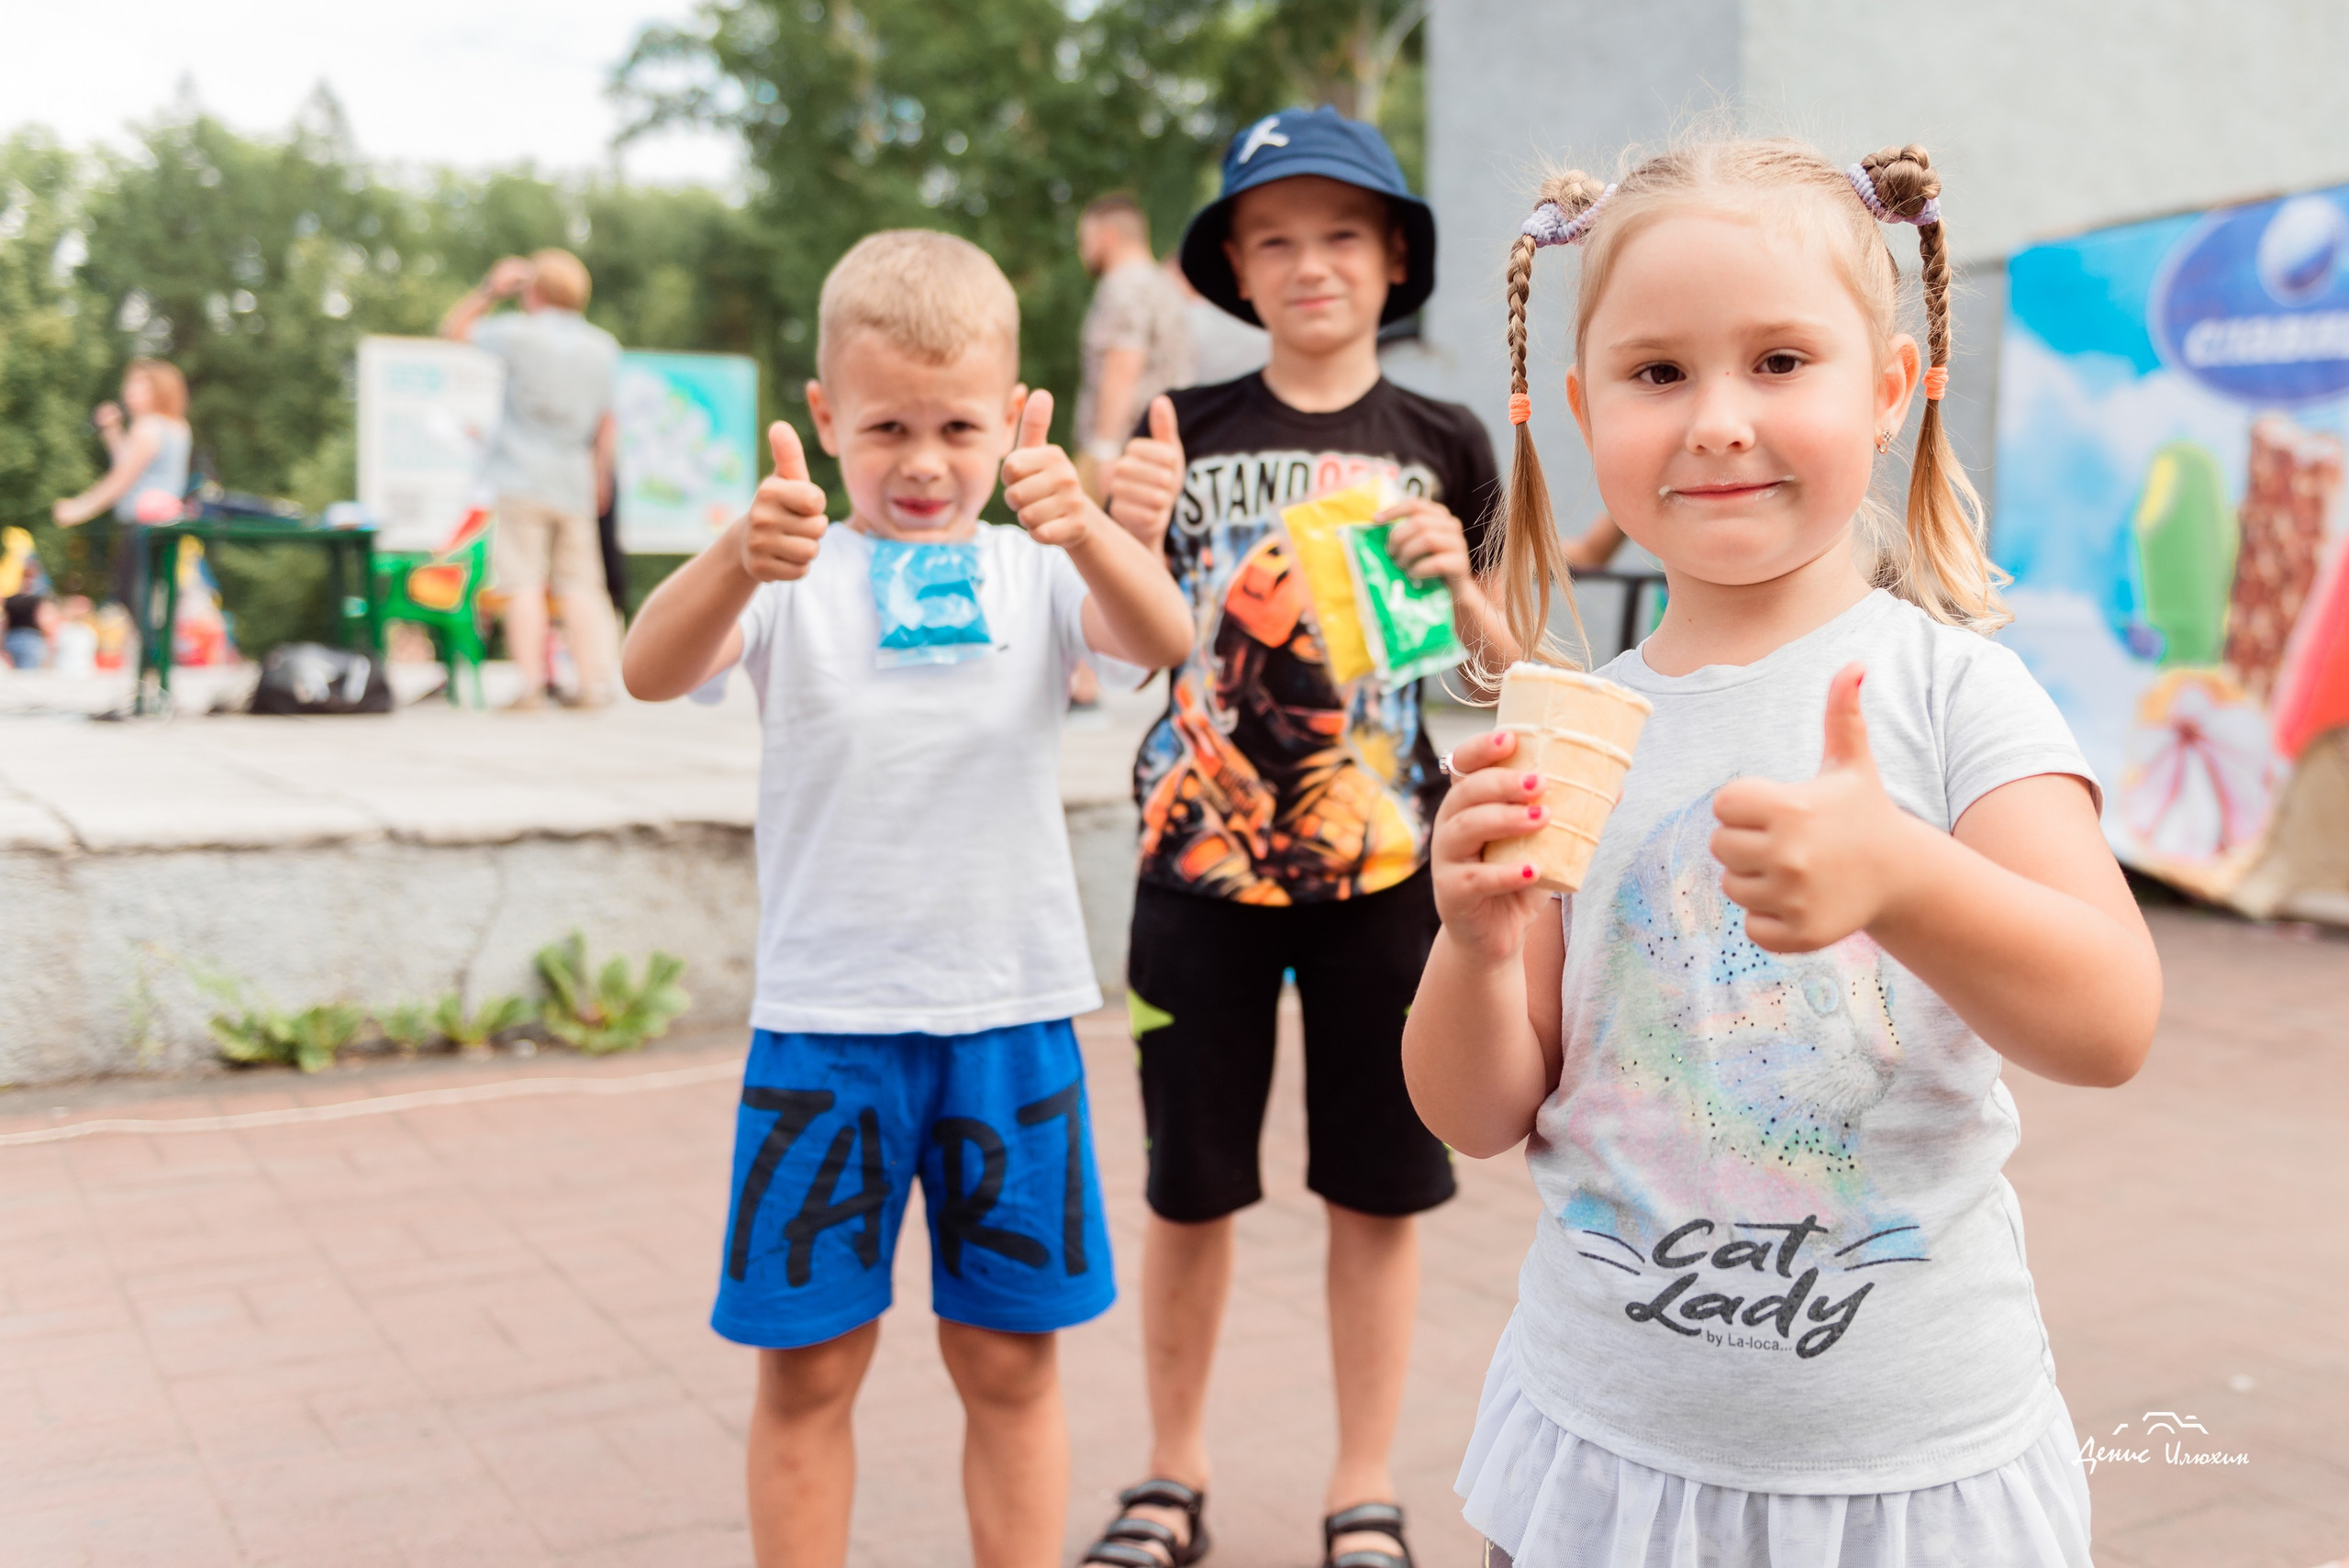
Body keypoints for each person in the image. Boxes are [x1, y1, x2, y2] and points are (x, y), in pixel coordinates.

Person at [1402, 142, 2163, 1567]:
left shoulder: (1951, 694)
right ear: (1581, 412)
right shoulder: (1581, 723)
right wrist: (1473, 943)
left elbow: (2113, 1019)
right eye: (1658, 374)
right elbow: (1477, 1112)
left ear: (1885, 389)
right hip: (1603, 1468)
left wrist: (1905, 879)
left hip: (1902, 1478)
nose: (1716, 422)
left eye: (1778, 361)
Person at [618, 229, 1193, 1568]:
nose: (924, 462)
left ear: (1018, 419)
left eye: (958, 426)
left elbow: (1163, 642)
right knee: (807, 1372)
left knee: (1009, 1364)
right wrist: (731, 558)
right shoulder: (789, 575)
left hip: (1013, 1020)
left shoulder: (1040, 562)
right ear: (824, 420)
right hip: (824, 1030)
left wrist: (1091, 527)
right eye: (885, 426)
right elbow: (650, 670)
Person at [1085, 106, 1512, 1568]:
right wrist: (1112, 531)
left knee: (1377, 1188)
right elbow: (1106, 646)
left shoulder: (1444, 441)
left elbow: (1507, 675)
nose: (1310, 264)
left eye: (1342, 234)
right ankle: (1169, 1475)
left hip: (1391, 875)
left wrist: (1467, 593)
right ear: (1232, 271)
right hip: (1192, 867)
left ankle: (1362, 1490)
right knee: (1187, 1181)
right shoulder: (1177, 433)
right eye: (1275, 239)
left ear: (1396, 258)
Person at [440, 249, 622, 709]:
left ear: (533, 290)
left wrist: (491, 289)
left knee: (522, 582)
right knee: (582, 584)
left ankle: (531, 687)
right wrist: (601, 474)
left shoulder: (517, 333)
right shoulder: (603, 347)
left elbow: (453, 331)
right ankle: (593, 684)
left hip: (519, 476)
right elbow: (606, 420)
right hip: (573, 479)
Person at [50, 358, 193, 620]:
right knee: (156, 603)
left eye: (140, 384)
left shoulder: (147, 426)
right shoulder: (179, 427)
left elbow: (121, 481)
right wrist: (112, 431)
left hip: (142, 527)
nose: (129, 390)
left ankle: (146, 659)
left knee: (131, 605)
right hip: (169, 526)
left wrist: (78, 509)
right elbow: (135, 468)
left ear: (159, 390)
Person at [1074, 195, 1195, 500]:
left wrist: (1105, 450)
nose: (1082, 251)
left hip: (1125, 453)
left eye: (1084, 240)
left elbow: (1122, 367)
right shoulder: (1165, 285)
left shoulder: (1124, 286)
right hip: (1162, 451)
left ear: (1107, 237)